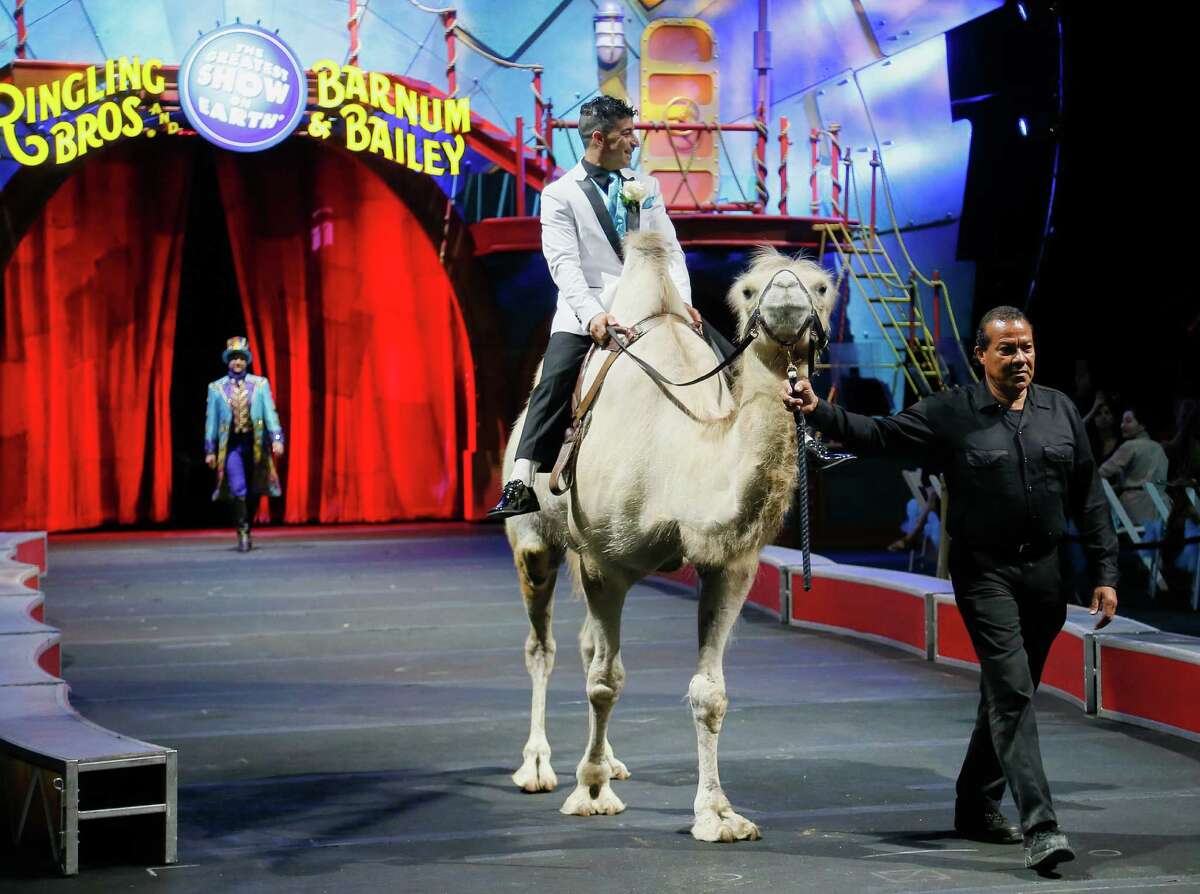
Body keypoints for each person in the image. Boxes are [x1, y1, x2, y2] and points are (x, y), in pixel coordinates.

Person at [785, 306, 1119, 872]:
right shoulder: (950, 413)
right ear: (981, 356)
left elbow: (1088, 495)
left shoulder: (1060, 410)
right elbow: (881, 434)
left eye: (1027, 348)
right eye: (1007, 350)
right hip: (983, 573)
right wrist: (821, 411)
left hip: (1045, 575)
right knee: (1012, 692)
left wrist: (1106, 573)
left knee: (1007, 695)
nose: (1021, 359)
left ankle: (974, 803)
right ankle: (1042, 826)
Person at [489, 95, 849, 519]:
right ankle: (521, 478)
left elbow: (671, 249)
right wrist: (592, 315)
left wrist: (683, 303)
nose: (634, 142)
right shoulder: (558, 195)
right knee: (553, 381)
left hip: (654, 303)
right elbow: (563, 264)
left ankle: (804, 435)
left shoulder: (647, 186)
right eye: (627, 134)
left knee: (736, 362)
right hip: (589, 308)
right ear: (599, 138)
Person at [204, 337, 285, 552]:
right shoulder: (216, 388)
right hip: (232, 445)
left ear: (246, 360)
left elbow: (270, 413)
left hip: (255, 443)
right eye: (233, 358)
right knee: (237, 487)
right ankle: (243, 531)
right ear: (227, 361)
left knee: (254, 487)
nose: (237, 362)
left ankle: (248, 523)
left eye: (241, 358)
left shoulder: (259, 384)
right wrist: (210, 450)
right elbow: (211, 421)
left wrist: (277, 439)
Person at [1099, 407, 1169, 526]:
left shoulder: (1130, 446)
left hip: (1136, 507)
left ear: (1141, 425)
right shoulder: (1158, 447)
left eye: (1128, 421)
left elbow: (1102, 472)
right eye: (1122, 421)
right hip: (1162, 506)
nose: (1122, 425)